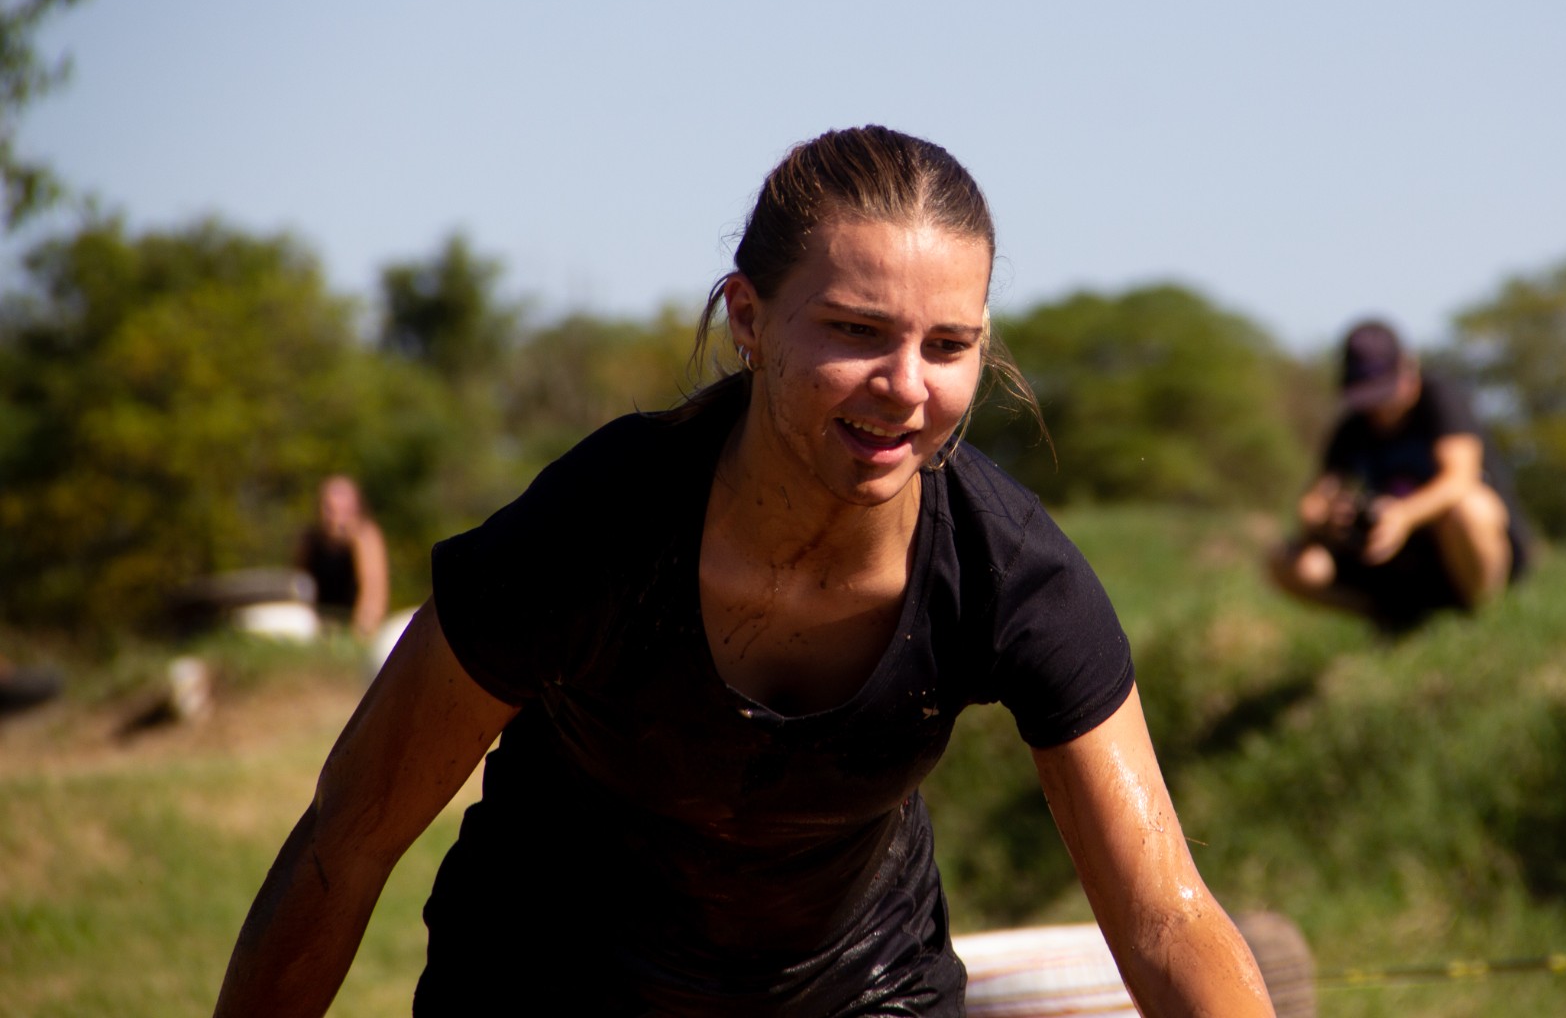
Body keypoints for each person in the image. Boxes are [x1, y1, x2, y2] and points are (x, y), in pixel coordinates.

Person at [215, 127, 1272, 1017]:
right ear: (750, 320)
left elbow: (1162, 913)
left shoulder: (1011, 575)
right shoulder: (589, 535)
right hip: (550, 980)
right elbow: (346, 842)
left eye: (948, 346)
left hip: (861, 988)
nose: (906, 387)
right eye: (857, 331)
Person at [1268, 319, 1528, 632]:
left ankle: (1484, 617)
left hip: (1463, 554)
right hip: (1399, 565)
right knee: (1289, 563)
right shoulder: (1353, 426)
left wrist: (1403, 515)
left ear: (1408, 368)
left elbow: (1460, 478)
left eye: (1384, 391)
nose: (1378, 406)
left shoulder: (1440, 399)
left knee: (1470, 507)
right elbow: (1312, 502)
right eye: (1368, 395)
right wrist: (1327, 517)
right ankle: (1390, 620)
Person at [294, 474, 390, 641]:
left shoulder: (365, 538)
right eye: (329, 509)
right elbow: (297, 589)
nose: (336, 519)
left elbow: (374, 595)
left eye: (344, 511)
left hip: (354, 630)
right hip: (318, 628)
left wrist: (359, 636)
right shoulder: (311, 540)